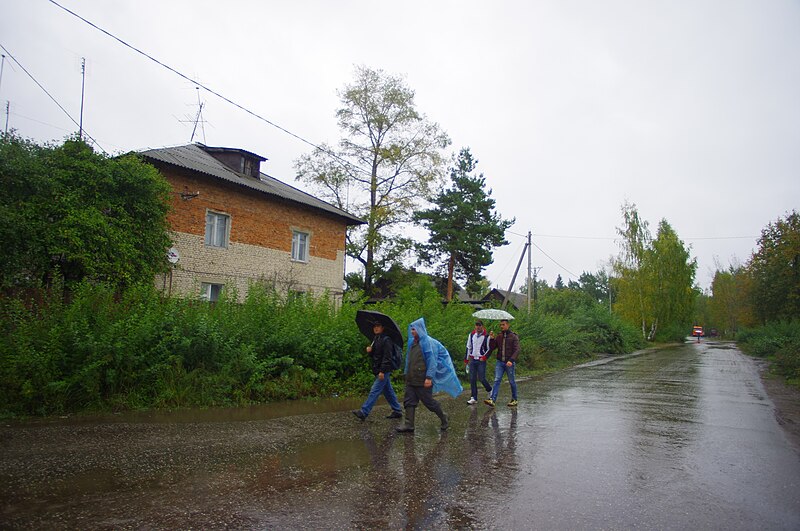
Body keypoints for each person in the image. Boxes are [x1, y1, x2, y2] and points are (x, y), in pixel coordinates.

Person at [396, 317, 462, 433]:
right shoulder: (413, 343)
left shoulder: (427, 343)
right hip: (411, 378)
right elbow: (409, 360)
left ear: (420, 329)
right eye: (411, 330)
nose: (412, 332)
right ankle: (409, 424)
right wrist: (406, 373)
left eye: (414, 329)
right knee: (409, 401)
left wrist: (429, 377)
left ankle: (443, 417)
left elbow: (432, 361)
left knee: (429, 402)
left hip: (423, 379)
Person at [352, 322, 403, 421]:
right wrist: (370, 352)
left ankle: (364, 411)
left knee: (374, 390)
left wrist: (382, 371)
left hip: (384, 370)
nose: (375, 328)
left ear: (382, 328)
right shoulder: (376, 339)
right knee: (388, 391)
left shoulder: (386, 340)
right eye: (374, 326)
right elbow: (375, 356)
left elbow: (387, 357)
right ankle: (397, 410)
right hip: (378, 369)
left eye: (378, 326)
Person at [484, 319, 520, 407]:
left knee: (511, 381)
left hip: (509, 363)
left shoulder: (513, 337)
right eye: (500, 325)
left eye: (503, 325)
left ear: (508, 325)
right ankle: (492, 399)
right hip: (500, 362)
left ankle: (514, 399)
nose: (501, 326)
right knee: (497, 380)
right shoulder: (499, 336)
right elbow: (492, 347)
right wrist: (492, 339)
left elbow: (517, 350)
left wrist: (511, 360)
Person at [464, 320, 492, 405]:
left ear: (482, 326)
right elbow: (468, 347)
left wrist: (484, 357)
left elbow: (488, 349)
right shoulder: (472, 335)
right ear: (475, 326)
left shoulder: (486, 336)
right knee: (472, 379)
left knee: (481, 378)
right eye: (476, 325)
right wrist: (466, 358)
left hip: (481, 360)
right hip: (473, 359)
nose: (478, 327)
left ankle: (489, 389)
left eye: (479, 325)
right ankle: (474, 397)